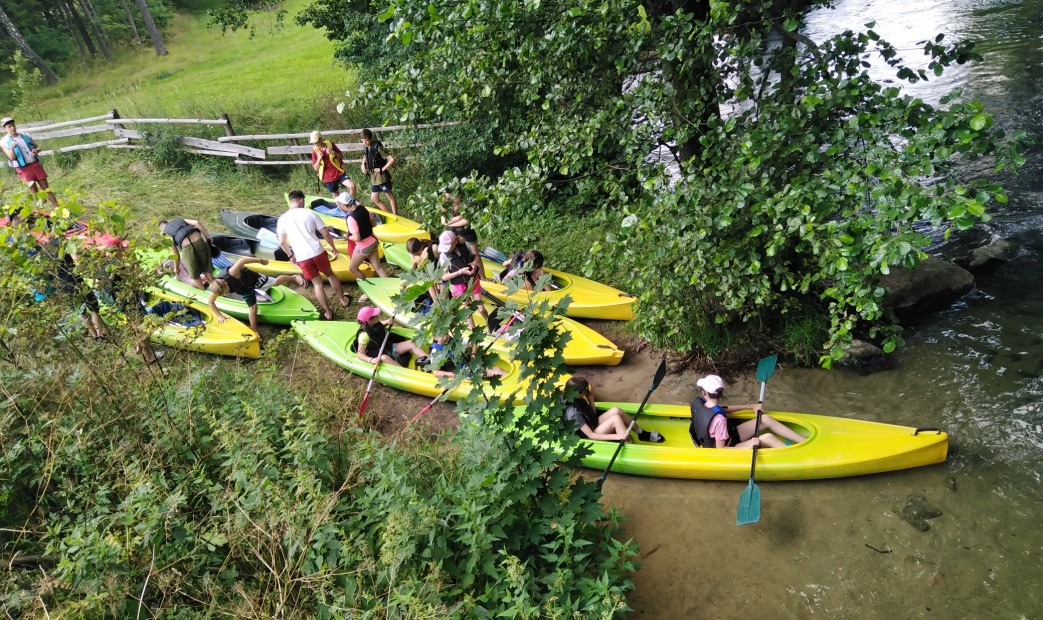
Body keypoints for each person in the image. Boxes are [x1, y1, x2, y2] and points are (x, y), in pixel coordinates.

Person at [279, 190, 351, 320]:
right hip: (317, 251)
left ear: (291, 201)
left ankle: (327, 312)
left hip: (302, 256)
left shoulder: (283, 219)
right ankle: (343, 299)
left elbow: (282, 242)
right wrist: (333, 247)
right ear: (301, 200)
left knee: (317, 284)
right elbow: (326, 233)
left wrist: (291, 256)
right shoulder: (310, 214)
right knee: (330, 274)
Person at [689, 374, 805, 449]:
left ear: (704, 393)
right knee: (768, 437)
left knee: (764, 419)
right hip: (725, 447)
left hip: (727, 437)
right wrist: (749, 445)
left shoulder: (699, 402)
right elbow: (721, 450)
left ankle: (804, 442)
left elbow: (723, 409)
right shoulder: (719, 420)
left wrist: (750, 406)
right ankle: (793, 453)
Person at [207, 256, 305, 339]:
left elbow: (242, 260)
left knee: (276, 282)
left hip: (251, 278)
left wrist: (260, 260)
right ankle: (255, 331)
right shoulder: (217, 288)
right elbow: (210, 302)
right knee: (253, 308)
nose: (225, 294)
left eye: (225, 292)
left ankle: (294, 277)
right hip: (243, 289)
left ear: (226, 283)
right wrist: (219, 315)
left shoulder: (231, 272)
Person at [563, 377, 664, 442]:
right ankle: (628, 444)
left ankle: (641, 433)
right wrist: (617, 436)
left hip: (591, 425)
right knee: (615, 419)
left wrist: (591, 400)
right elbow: (591, 435)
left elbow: (592, 417)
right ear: (577, 393)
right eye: (585, 390)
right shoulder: (573, 412)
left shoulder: (578, 398)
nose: (587, 391)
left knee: (616, 410)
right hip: (588, 436)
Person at [437, 230, 490, 330]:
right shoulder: (443, 256)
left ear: (455, 242)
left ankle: (490, 324)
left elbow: (477, 257)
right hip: (459, 285)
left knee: (481, 309)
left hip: (472, 280)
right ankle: (474, 332)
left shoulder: (464, 246)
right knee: (467, 311)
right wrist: (460, 272)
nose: (447, 250)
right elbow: (444, 277)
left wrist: (474, 264)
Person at [1, 117, 58, 207]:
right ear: (5, 129)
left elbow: (38, 148)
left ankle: (58, 209)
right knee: (34, 191)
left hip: (35, 165)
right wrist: (11, 148)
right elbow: (12, 157)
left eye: (13, 125)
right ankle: (41, 211)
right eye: (9, 126)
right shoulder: (4, 142)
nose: (12, 128)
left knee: (46, 189)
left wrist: (36, 151)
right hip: (23, 169)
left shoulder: (25, 135)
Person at [334, 192, 388, 281]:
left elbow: (357, 238)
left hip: (363, 246)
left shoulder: (351, 218)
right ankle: (390, 285)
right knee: (378, 267)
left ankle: (367, 286)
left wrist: (347, 237)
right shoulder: (363, 209)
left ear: (344, 205)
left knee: (353, 268)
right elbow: (374, 224)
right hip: (373, 241)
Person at [355, 306, 430, 367]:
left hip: (389, 348)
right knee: (384, 357)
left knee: (411, 343)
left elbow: (380, 325)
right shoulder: (364, 336)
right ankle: (403, 371)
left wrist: (387, 322)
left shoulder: (374, 323)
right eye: (375, 316)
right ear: (369, 320)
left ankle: (429, 360)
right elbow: (360, 354)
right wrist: (370, 360)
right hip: (380, 355)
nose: (378, 316)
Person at [157, 217, 214, 290]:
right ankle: (215, 288)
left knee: (194, 273)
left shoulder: (166, 234)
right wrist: (207, 236)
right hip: (200, 241)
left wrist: (176, 268)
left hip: (187, 247)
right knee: (207, 267)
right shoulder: (179, 220)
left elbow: (176, 255)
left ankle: (202, 291)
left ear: (161, 230)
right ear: (168, 222)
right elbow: (196, 222)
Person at [441, 191, 485, 278]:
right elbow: (444, 221)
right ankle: (465, 274)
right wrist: (458, 218)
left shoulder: (464, 205)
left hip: (466, 232)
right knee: (460, 253)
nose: (450, 199)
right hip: (454, 234)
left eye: (451, 196)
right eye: (447, 197)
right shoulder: (444, 207)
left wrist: (450, 223)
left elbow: (467, 220)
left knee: (475, 253)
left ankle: (483, 277)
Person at [360, 128, 397, 215]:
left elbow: (391, 159)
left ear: (369, 138)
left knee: (389, 195)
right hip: (374, 177)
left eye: (365, 140)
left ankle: (396, 215)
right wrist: (363, 164)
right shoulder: (366, 147)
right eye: (362, 141)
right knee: (374, 199)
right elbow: (365, 155)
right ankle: (389, 214)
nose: (364, 143)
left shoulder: (377, 147)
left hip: (381, 176)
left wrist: (383, 169)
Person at [310, 130, 356, 198]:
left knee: (352, 186)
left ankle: (352, 204)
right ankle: (342, 207)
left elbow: (341, 156)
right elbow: (315, 168)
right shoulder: (315, 152)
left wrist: (333, 152)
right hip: (327, 177)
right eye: (314, 143)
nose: (315, 144)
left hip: (339, 171)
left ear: (321, 138)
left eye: (316, 142)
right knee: (336, 196)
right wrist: (319, 158)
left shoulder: (330, 144)